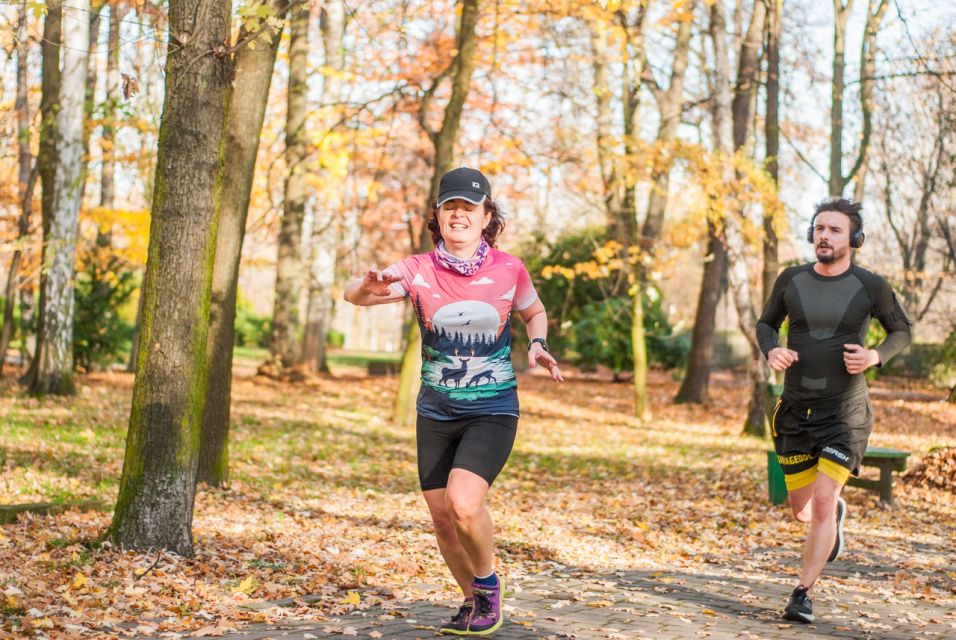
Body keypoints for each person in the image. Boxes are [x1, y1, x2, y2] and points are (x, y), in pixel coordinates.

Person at [344, 167, 563, 636]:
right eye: (451, 207)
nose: (459, 214)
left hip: (492, 408)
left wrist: (538, 343)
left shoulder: (509, 268)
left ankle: (488, 588)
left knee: (463, 503)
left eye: (469, 207)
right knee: (444, 520)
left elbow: (534, 311)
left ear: (486, 217)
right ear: (438, 216)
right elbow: (356, 296)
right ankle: (472, 602)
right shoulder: (417, 269)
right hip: (435, 412)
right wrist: (367, 288)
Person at [756, 197, 912, 624]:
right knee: (802, 510)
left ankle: (802, 594)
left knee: (823, 502)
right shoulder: (790, 279)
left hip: (846, 414)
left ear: (854, 238)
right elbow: (766, 323)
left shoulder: (871, 286)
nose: (824, 236)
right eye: (819, 228)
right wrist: (771, 350)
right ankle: (834, 518)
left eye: (835, 229)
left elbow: (901, 330)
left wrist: (875, 356)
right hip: (795, 412)